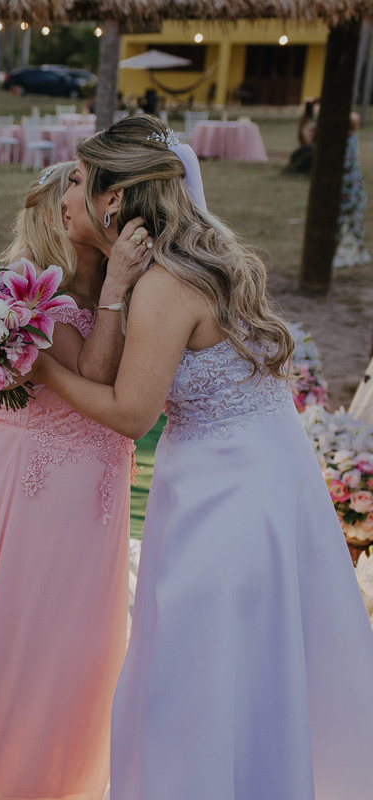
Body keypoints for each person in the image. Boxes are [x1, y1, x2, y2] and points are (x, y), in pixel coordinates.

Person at [34, 115, 373, 799]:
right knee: (254, 653)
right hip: (258, 471)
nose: (73, 193)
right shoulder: (197, 253)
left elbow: (131, 413)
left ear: (114, 200)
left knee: (203, 657)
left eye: (83, 180)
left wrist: (45, 371)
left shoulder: (165, 283)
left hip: (229, 493)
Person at [0, 161, 145, 800]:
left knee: (83, 641)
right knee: (27, 635)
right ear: (53, 212)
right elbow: (95, 379)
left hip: (95, 479)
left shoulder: (117, 274)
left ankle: (64, 780)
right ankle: (3, 781)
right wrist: (120, 282)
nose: (89, 202)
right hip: (31, 481)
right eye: (73, 190)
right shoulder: (28, 288)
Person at [334, 112, 371, 269]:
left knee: (349, 224)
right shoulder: (349, 140)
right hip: (350, 191)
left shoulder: (348, 141)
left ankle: (355, 252)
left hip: (350, 191)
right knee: (346, 224)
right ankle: (344, 252)